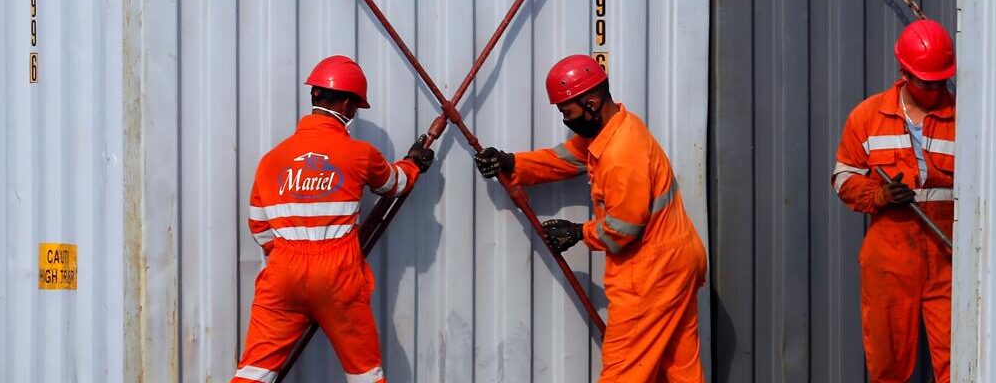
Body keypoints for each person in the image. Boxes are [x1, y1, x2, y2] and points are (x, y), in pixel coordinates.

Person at [473, 54, 708, 383]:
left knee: (623, 372)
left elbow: (623, 230)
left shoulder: (622, 155)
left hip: (651, 276)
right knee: (679, 368)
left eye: (567, 112)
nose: (565, 120)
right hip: (677, 261)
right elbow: (567, 157)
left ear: (591, 103)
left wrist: (577, 233)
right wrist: (513, 163)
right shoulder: (617, 128)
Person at [232, 55, 434, 383]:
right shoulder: (360, 154)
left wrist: (288, 257)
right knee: (364, 374)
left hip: (282, 273)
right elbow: (393, 184)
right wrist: (414, 163)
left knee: (253, 372)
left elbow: (259, 226)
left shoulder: (271, 160)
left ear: (314, 95)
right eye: (355, 107)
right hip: (337, 274)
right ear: (347, 104)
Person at [831, 19, 958, 382]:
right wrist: (879, 195)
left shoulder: (966, 118)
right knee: (888, 361)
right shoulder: (868, 117)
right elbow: (843, 178)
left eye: (941, 82)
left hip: (949, 256)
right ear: (905, 73)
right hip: (890, 257)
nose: (935, 90)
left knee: (957, 358)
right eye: (926, 83)